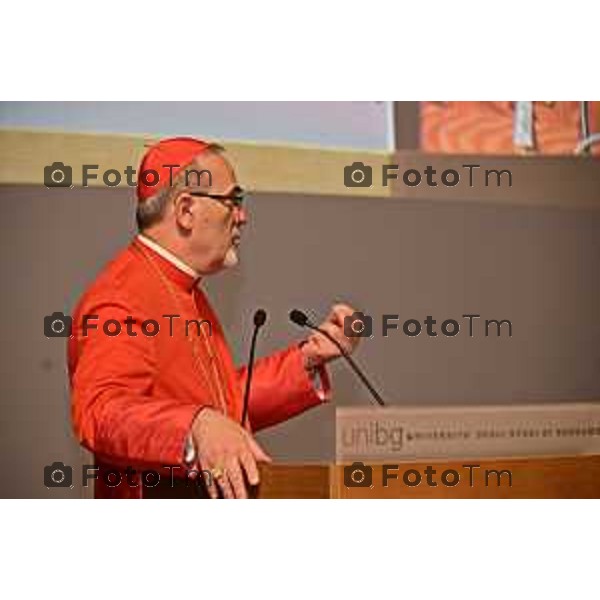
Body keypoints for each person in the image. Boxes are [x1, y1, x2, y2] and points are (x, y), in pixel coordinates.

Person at [68, 137, 359, 499]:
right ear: (186, 210)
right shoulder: (121, 297)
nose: (243, 216)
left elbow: (222, 405)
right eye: (233, 201)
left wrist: (307, 360)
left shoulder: (185, 289)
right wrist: (195, 427)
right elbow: (101, 412)